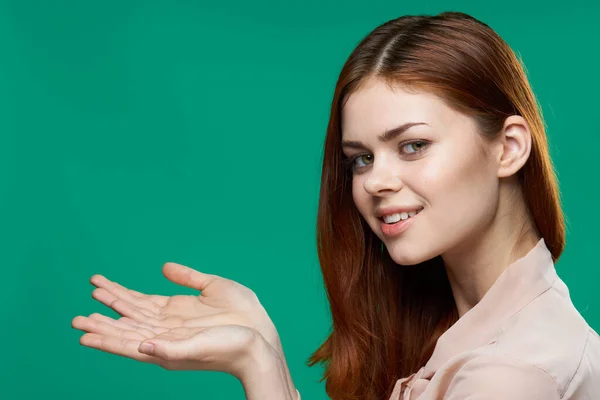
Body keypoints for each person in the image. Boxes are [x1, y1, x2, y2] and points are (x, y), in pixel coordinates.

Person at [71, 10, 600, 400]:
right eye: (360, 159)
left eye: (412, 145)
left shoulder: (510, 374)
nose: (376, 182)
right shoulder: (467, 332)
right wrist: (261, 351)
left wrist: (259, 368)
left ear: (509, 148)